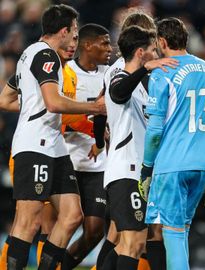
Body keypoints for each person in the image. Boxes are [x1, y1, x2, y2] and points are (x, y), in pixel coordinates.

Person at [1, 4, 105, 270]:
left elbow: (5, 99)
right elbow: (54, 102)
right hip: (36, 145)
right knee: (29, 221)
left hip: (54, 147)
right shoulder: (45, 55)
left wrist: (30, 107)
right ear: (63, 30)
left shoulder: (30, 55)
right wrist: (95, 107)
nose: (75, 39)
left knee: (71, 216)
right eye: (74, 34)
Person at [141, 17, 205, 270]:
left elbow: (155, 130)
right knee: (182, 231)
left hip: (172, 163)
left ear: (162, 42)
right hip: (202, 165)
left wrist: (147, 168)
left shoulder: (163, 72)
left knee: (172, 233)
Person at [102, 25, 178, 270]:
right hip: (125, 171)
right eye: (152, 50)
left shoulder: (142, 90)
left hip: (139, 173)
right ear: (140, 53)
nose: (156, 55)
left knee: (140, 240)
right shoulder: (119, 76)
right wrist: (145, 69)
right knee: (133, 243)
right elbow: (117, 93)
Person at [61, 23, 112, 269]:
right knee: (60, 224)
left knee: (94, 231)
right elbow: (59, 117)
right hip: (66, 159)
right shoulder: (66, 72)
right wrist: (95, 130)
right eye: (104, 43)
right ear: (87, 45)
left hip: (97, 166)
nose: (110, 48)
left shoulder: (111, 74)